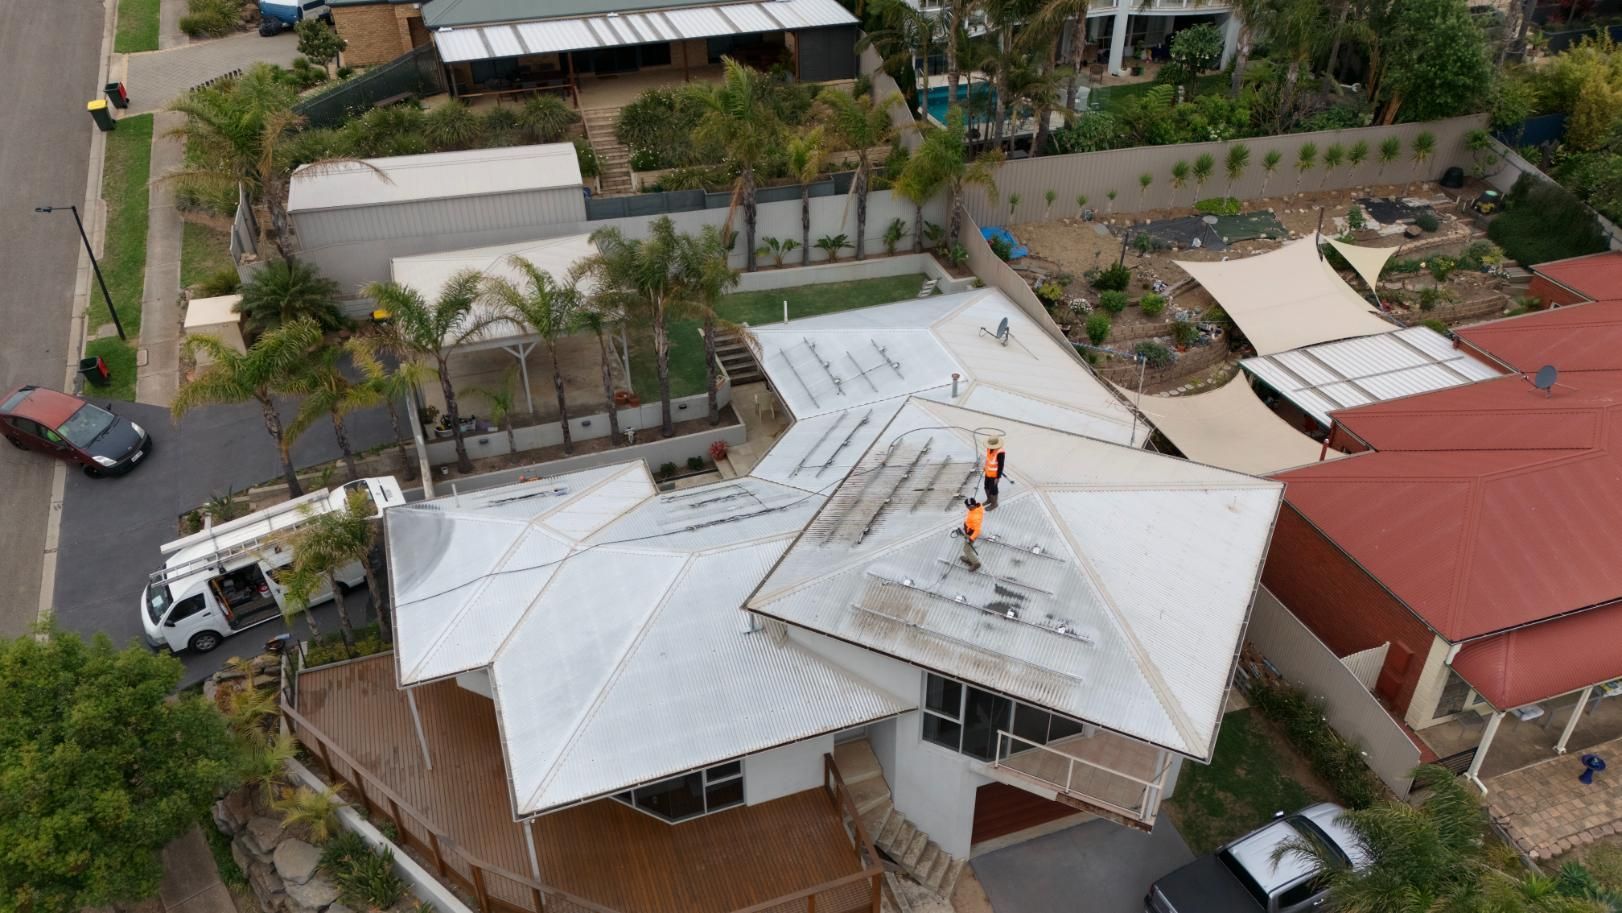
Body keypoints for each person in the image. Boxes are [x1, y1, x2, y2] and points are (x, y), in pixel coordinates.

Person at [959, 497, 984, 571]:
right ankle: (969, 558)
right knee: (966, 548)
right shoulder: (975, 508)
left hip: (972, 534)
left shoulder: (976, 516)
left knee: (967, 550)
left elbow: (977, 530)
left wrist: (970, 538)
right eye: (967, 506)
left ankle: (976, 563)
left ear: (973, 505)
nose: (967, 507)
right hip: (969, 531)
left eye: (968, 506)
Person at [983, 435, 1006, 510]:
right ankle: (989, 500)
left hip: (994, 475)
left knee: (993, 489)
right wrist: (985, 467)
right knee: (986, 487)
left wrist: (998, 477)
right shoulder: (989, 449)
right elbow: (988, 459)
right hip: (988, 472)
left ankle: (994, 503)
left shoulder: (1000, 452)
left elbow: (1001, 465)